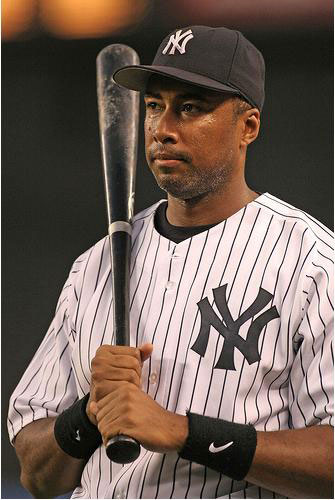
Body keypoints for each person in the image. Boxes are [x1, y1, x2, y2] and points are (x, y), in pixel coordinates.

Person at [8, 25, 333, 499]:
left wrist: (184, 432)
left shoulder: (311, 262)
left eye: (191, 107)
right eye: (155, 105)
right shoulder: (96, 266)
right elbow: (36, 476)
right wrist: (88, 416)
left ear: (249, 126)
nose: (162, 129)